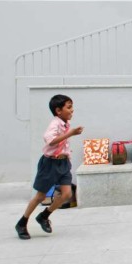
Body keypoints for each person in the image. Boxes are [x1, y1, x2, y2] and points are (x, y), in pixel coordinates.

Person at [16, 94, 81, 240]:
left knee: (66, 194)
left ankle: (44, 216)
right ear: (58, 111)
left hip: (63, 163)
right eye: (69, 107)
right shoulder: (55, 124)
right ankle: (22, 222)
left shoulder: (64, 124)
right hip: (50, 164)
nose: (72, 110)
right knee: (40, 196)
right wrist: (71, 133)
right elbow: (50, 140)